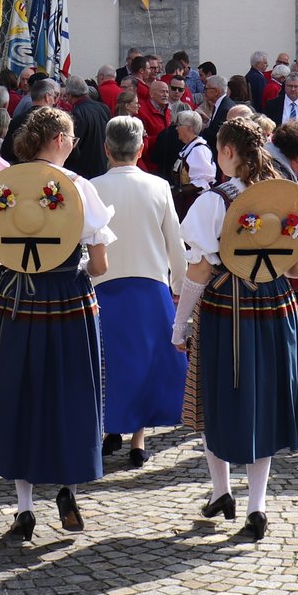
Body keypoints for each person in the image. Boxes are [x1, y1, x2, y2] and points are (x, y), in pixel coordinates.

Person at [0, 106, 116, 543]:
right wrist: (76, 265)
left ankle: (24, 510)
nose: (74, 144)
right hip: (69, 300)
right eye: (73, 138)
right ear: (60, 139)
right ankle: (68, 491)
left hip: (16, 301)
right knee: (71, 395)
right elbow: (100, 265)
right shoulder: (80, 187)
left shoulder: (2, 187)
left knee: (18, 397)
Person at [172, 117, 298, 540]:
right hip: (275, 305)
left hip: (227, 306)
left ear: (228, 152)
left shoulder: (214, 201)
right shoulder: (285, 196)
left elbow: (199, 271)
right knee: (264, 402)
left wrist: (179, 324)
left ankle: (222, 490)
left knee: (216, 398)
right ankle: (255, 505)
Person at [90, 115, 187, 467]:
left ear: (106, 148)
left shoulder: (91, 187)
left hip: (104, 284)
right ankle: (137, 438)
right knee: (145, 363)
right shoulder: (158, 186)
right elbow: (175, 241)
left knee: (109, 361)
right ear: (142, 147)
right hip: (150, 284)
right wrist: (180, 287)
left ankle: (111, 428)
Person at [62, 75, 111, 179]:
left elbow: (73, 145)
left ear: (69, 95)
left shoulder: (77, 113)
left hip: (83, 170)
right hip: (103, 165)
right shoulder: (103, 108)